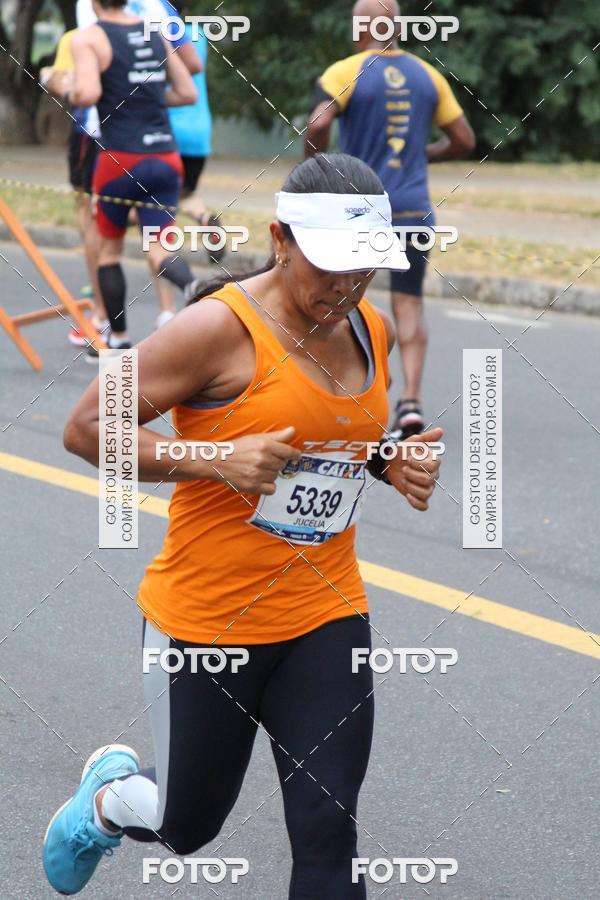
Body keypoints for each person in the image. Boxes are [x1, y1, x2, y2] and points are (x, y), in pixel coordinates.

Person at [43, 152, 444, 898]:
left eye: (364, 268)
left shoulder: (372, 327)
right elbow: (85, 428)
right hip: (209, 621)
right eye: (331, 266)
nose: (347, 286)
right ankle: (107, 801)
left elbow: (333, 431)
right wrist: (214, 457)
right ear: (280, 240)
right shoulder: (214, 330)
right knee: (187, 823)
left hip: (325, 612)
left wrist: (389, 460)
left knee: (328, 834)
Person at [305, 0, 475, 437]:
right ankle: (411, 403)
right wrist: (422, 154)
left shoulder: (345, 72)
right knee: (409, 303)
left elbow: (318, 124)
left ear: (358, 27)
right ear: (397, 27)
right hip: (413, 209)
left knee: (344, 300)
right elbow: (463, 138)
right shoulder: (428, 74)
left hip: (360, 208)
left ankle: (352, 397)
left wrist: (316, 169)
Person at [68, 0, 198, 354]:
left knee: (109, 252)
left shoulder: (89, 38)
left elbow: (89, 93)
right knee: (158, 247)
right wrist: (147, 99)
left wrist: (67, 88)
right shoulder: (155, 32)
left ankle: (119, 339)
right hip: (165, 157)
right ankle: (192, 285)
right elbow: (188, 92)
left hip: (119, 160)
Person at [41, 31, 108, 346]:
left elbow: (63, 84)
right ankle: (170, 312)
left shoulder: (79, 36)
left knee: (90, 217)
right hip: (145, 137)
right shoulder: (147, 26)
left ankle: (100, 316)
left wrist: (50, 77)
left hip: (91, 134)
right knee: (134, 217)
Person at [166, 0, 225, 263]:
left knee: (152, 199)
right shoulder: (198, 34)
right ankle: (205, 218)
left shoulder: (160, 34)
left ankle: (167, 261)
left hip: (168, 131)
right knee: (184, 194)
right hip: (199, 132)